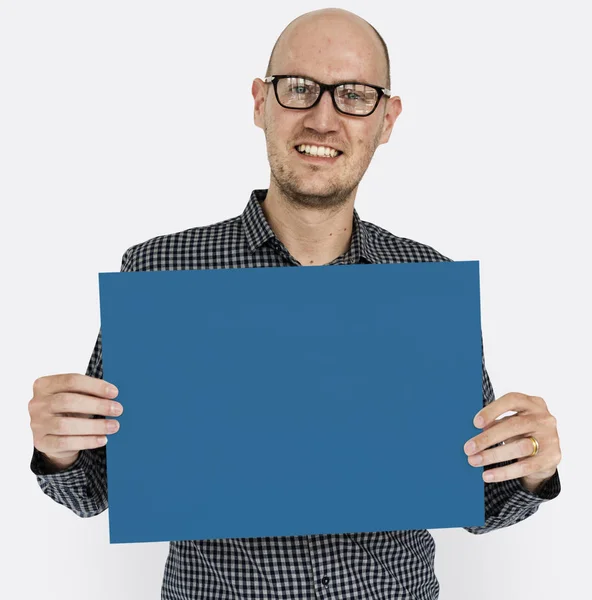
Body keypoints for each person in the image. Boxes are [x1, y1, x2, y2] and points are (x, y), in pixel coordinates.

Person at [28, 8, 562, 600]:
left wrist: (532, 463)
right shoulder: (160, 274)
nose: (324, 117)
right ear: (260, 102)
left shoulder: (425, 282)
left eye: (355, 95)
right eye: (299, 88)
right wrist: (58, 448)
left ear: (387, 120)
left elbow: (480, 501)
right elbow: (93, 491)